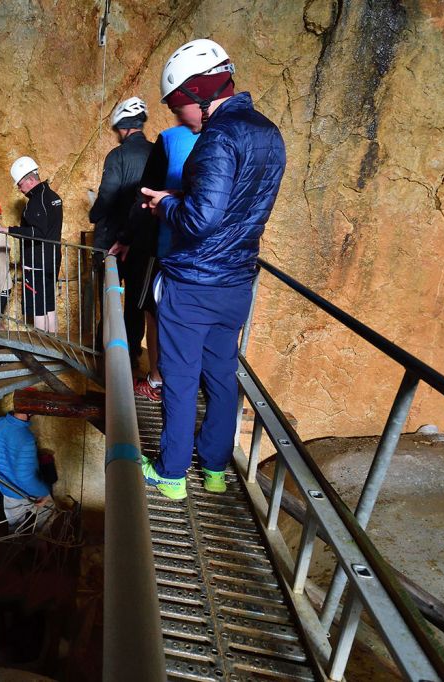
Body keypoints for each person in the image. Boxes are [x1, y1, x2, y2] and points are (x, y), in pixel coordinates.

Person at [140, 38, 286, 500]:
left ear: (196, 95)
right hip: (237, 282)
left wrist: (166, 205)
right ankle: (217, 468)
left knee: (180, 377)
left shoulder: (218, 137)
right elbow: (240, 211)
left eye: (176, 105)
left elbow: (202, 219)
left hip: (194, 284)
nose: (175, 115)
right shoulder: (270, 133)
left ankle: (171, 473)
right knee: (221, 375)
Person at [116, 124, 200, 401]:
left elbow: (145, 197)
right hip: (207, 257)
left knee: (155, 311)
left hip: (165, 246)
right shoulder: (230, 136)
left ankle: (156, 379)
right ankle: (189, 383)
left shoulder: (170, 139)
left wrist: (127, 237)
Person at [90, 97, 154, 365]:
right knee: (137, 302)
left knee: (110, 296)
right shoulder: (155, 152)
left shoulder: (117, 156)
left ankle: (106, 353)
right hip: (146, 242)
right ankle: (132, 352)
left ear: (123, 127)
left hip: (114, 242)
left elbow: (107, 195)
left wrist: (94, 213)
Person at [0, 156, 63, 333]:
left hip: (37, 262)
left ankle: (42, 353)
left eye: (20, 184)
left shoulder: (36, 202)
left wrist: (8, 229)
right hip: (52, 258)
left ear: (30, 180)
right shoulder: (53, 197)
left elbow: (38, 233)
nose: (18, 188)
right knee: (49, 304)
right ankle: (53, 348)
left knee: (39, 307)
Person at [0, 404, 54, 532]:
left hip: (6, 488)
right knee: (48, 512)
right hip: (24, 491)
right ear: (31, 411)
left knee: (15, 529)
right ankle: (41, 546)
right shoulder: (26, 437)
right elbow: (25, 476)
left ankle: (17, 548)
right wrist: (44, 492)